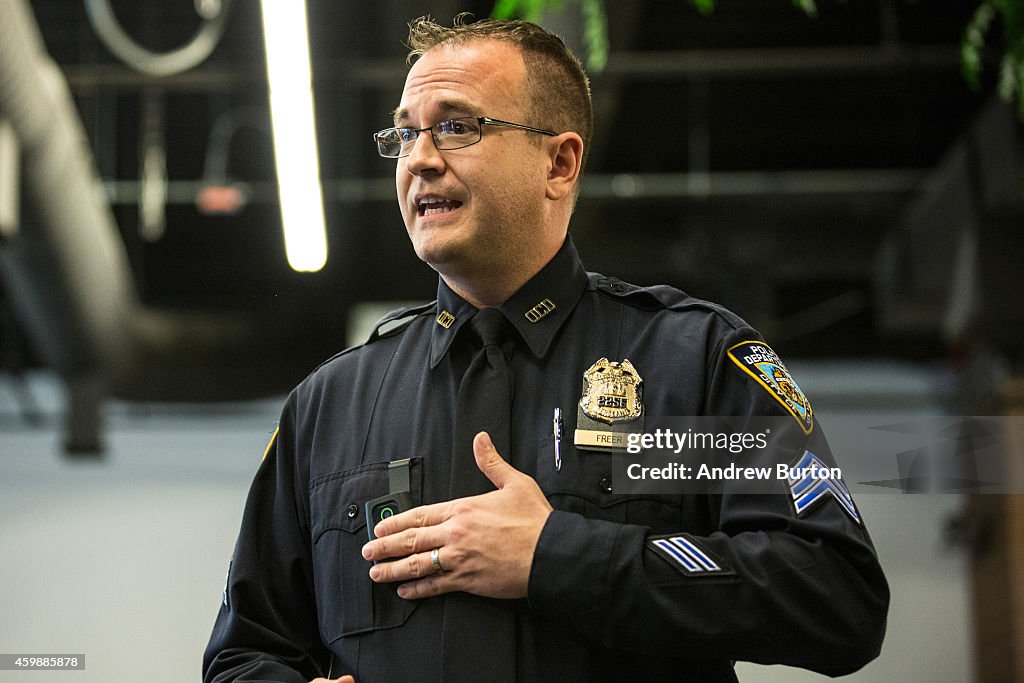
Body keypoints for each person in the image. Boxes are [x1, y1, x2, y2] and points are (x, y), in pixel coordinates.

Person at [203, 14, 888, 683]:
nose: (420, 159)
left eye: (456, 126)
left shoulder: (692, 363)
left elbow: (832, 592)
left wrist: (554, 554)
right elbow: (243, 653)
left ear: (559, 162)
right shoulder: (332, 405)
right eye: (405, 135)